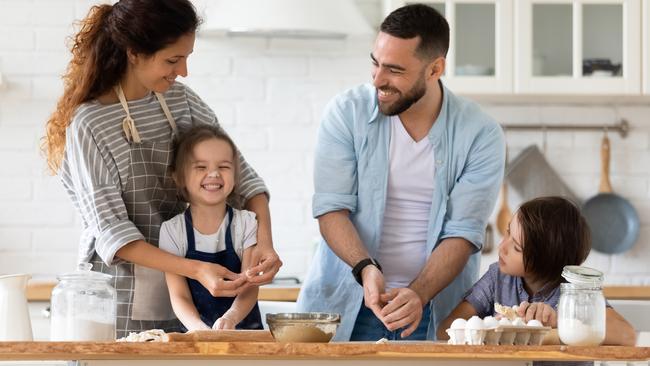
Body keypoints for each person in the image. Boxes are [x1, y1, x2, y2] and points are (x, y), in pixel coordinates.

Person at [42, 0, 281, 337]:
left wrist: (264, 243)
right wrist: (196, 268)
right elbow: (115, 236)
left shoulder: (181, 101)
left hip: (193, 295)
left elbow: (244, 180)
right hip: (119, 298)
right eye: (172, 60)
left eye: (186, 58)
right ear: (133, 53)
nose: (182, 71)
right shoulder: (90, 124)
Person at [297, 4, 505, 341]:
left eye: (394, 69)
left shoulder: (480, 134)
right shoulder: (346, 113)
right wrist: (366, 269)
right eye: (375, 63)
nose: (378, 79)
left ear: (435, 69)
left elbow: (463, 233)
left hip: (434, 313)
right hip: (342, 309)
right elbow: (331, 209)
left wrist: (419, 294)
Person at [437, 196, 636, 346]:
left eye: (516, 247)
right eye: (507, 232)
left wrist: (561, 321)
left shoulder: (577, 288)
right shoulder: (497, 277)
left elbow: (626, 335)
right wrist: (499, 329)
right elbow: (447, 329)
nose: (501, 247)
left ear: (544, 261)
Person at [160, 125, 262, 331]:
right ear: (179, 177)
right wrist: (198, 329)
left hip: (245, 334)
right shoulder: (172, 231)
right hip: (195, 336)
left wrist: (232, 318)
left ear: (235, 175)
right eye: (200, 167)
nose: (214, 174)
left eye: (224, 167)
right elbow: (178, 295)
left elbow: (250, 287)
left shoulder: (247, 223)